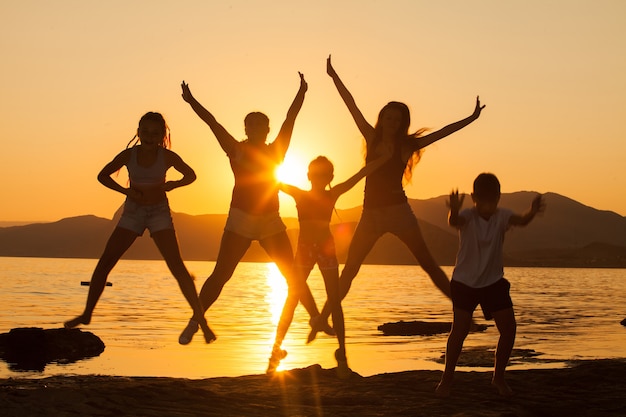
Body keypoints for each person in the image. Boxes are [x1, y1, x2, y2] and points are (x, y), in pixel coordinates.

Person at [312, 56, 486, 338]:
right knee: (350, 270)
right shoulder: (371, 138)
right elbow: (351, 105)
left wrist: (471, 117)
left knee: (429, 264)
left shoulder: (409, 145)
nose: (392, 122)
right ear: (382, 119)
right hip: (371, 214)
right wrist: (333, 76)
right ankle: (321, 318)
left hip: (398, 212)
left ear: (403, 122)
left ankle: (463, 314)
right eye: (388, 117)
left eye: (397, 119)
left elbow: (443, 132)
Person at [178, 73, 325, 346]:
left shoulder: (277, 150)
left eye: (261, 124)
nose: (256, 127)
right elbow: (212, 122)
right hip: (240, 220)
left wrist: (301, 93)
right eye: (251, 124)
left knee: (291, 273)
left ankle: (315, 317)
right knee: (222, 274)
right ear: (245, 128)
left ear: (267, 130)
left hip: (270, 221)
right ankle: (195, 321)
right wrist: (191, 101)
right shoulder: (235, 148)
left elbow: (290, 120)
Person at [65, 112, 215, 343]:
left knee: (177, 266)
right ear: (138, 132)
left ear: (162, 136)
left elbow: (191, 175)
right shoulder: (129, 155)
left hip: (159, 213)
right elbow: (102, 176)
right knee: (106, 260)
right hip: (132, 213)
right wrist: (126, 191)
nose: (149, 136)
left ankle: (202, 322)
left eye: (155, 133)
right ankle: (87, 314)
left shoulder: (168, 157)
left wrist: (173, 184)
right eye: (145, 132)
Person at [267, 153, 390, 377]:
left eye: (324, 174)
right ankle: (275, 352)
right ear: (308, 175)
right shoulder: (300, 194)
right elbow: (271, 180)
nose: (319, 178)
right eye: (315, 174)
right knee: (292, 297)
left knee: (335, 300)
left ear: (330, 177)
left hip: (326, 248)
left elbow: (360, 174)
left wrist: (383, 159)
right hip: (305, 248)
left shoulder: (333, 193)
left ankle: (342, 355)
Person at [435, 173, 545, 397]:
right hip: (464, 282)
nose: (488, 207)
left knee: (509, 329)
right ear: (474, 198)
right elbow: (454, 222)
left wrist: (532, 212)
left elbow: (521, 221)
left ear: (499, 197)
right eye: (483, 202)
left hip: (493, 281)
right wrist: (454, 210)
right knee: (460, 329)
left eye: (493, 202)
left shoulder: (503, 216)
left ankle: (498, 377)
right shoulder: (468, 216)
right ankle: (446, 378)